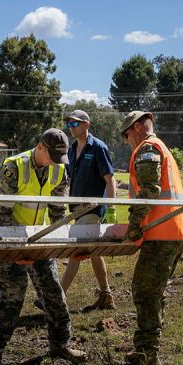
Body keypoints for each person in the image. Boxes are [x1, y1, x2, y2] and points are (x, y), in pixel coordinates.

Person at [0, 128, 87, 365]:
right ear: (40, 147)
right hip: (9, 241)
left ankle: (61, 344)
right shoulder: (14, 167)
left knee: (54, 296)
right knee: (11, 303)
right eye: (51, 156)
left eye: (59, 158)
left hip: (39, 241)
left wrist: (59, 243)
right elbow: (0, 211)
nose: (54, 163)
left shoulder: (59, 169)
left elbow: (58, 210)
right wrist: (16, 250)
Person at [120, 111, 183, 365]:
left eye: (127, 134)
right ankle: (146, 353)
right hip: (173, 229)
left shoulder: (147, 148)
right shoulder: (161, 147)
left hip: (161, 231)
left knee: (145, 291)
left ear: (137, 127)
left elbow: (148, 191)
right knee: (154, 291)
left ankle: (147, 358)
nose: (127, 140)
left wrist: (134, 226)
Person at [59, 110, 118, 312]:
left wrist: (111, 209)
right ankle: (106, 295)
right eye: (69, 124)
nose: (71, 127)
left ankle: (58, 296)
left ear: (87, 124)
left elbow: (110, 180)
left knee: (76, 250)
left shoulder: (99, 148)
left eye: (75, 124)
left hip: (93, 209)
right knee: (94, 252)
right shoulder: (71, 149)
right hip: (76, 209)